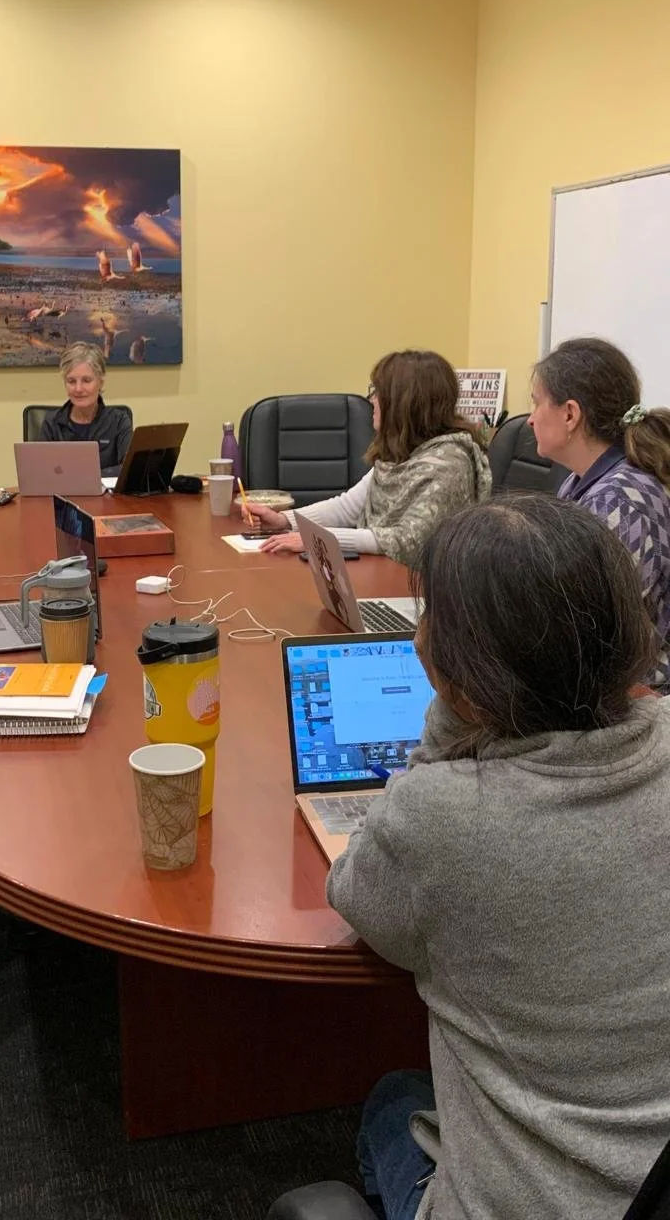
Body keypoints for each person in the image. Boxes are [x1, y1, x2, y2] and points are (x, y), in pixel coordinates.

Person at [328, 495, 670, 1220]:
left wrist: (451, 706)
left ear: (454, 670)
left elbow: (355, 896)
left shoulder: (442, 814)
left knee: (393, 1100)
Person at [241, 349, 491, 567]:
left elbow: (406, 541)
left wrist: (317, 539)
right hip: (383, 572)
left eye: (378, 392)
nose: (372, 400)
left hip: (419, 589)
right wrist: (284, 520)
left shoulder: (449, 464)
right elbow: (348, 507)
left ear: (404, 402)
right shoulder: (404, 452)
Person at [529, 336, 670, 690]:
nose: (529, 419)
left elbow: (587, 627)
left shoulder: (618, 501)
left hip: (637, 696)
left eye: (536, 403)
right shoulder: (581, 483)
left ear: (570, 414)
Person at [38, 342, 132, 475]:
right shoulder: (51, 422)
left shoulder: (119, 421)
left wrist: (87, 476)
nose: (78, 389)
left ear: (100, 382)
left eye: (86, 380)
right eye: (71, 381)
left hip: (106, 489)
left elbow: (128, 468)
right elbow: (41, 471)